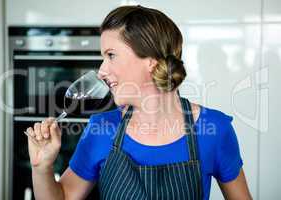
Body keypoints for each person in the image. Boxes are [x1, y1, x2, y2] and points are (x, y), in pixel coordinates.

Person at [25, 5, 252, 200]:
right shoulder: (101, 129)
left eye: (111, 55)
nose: (102, 70)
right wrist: (42, 168)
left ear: (151, 62)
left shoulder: (215, 129)